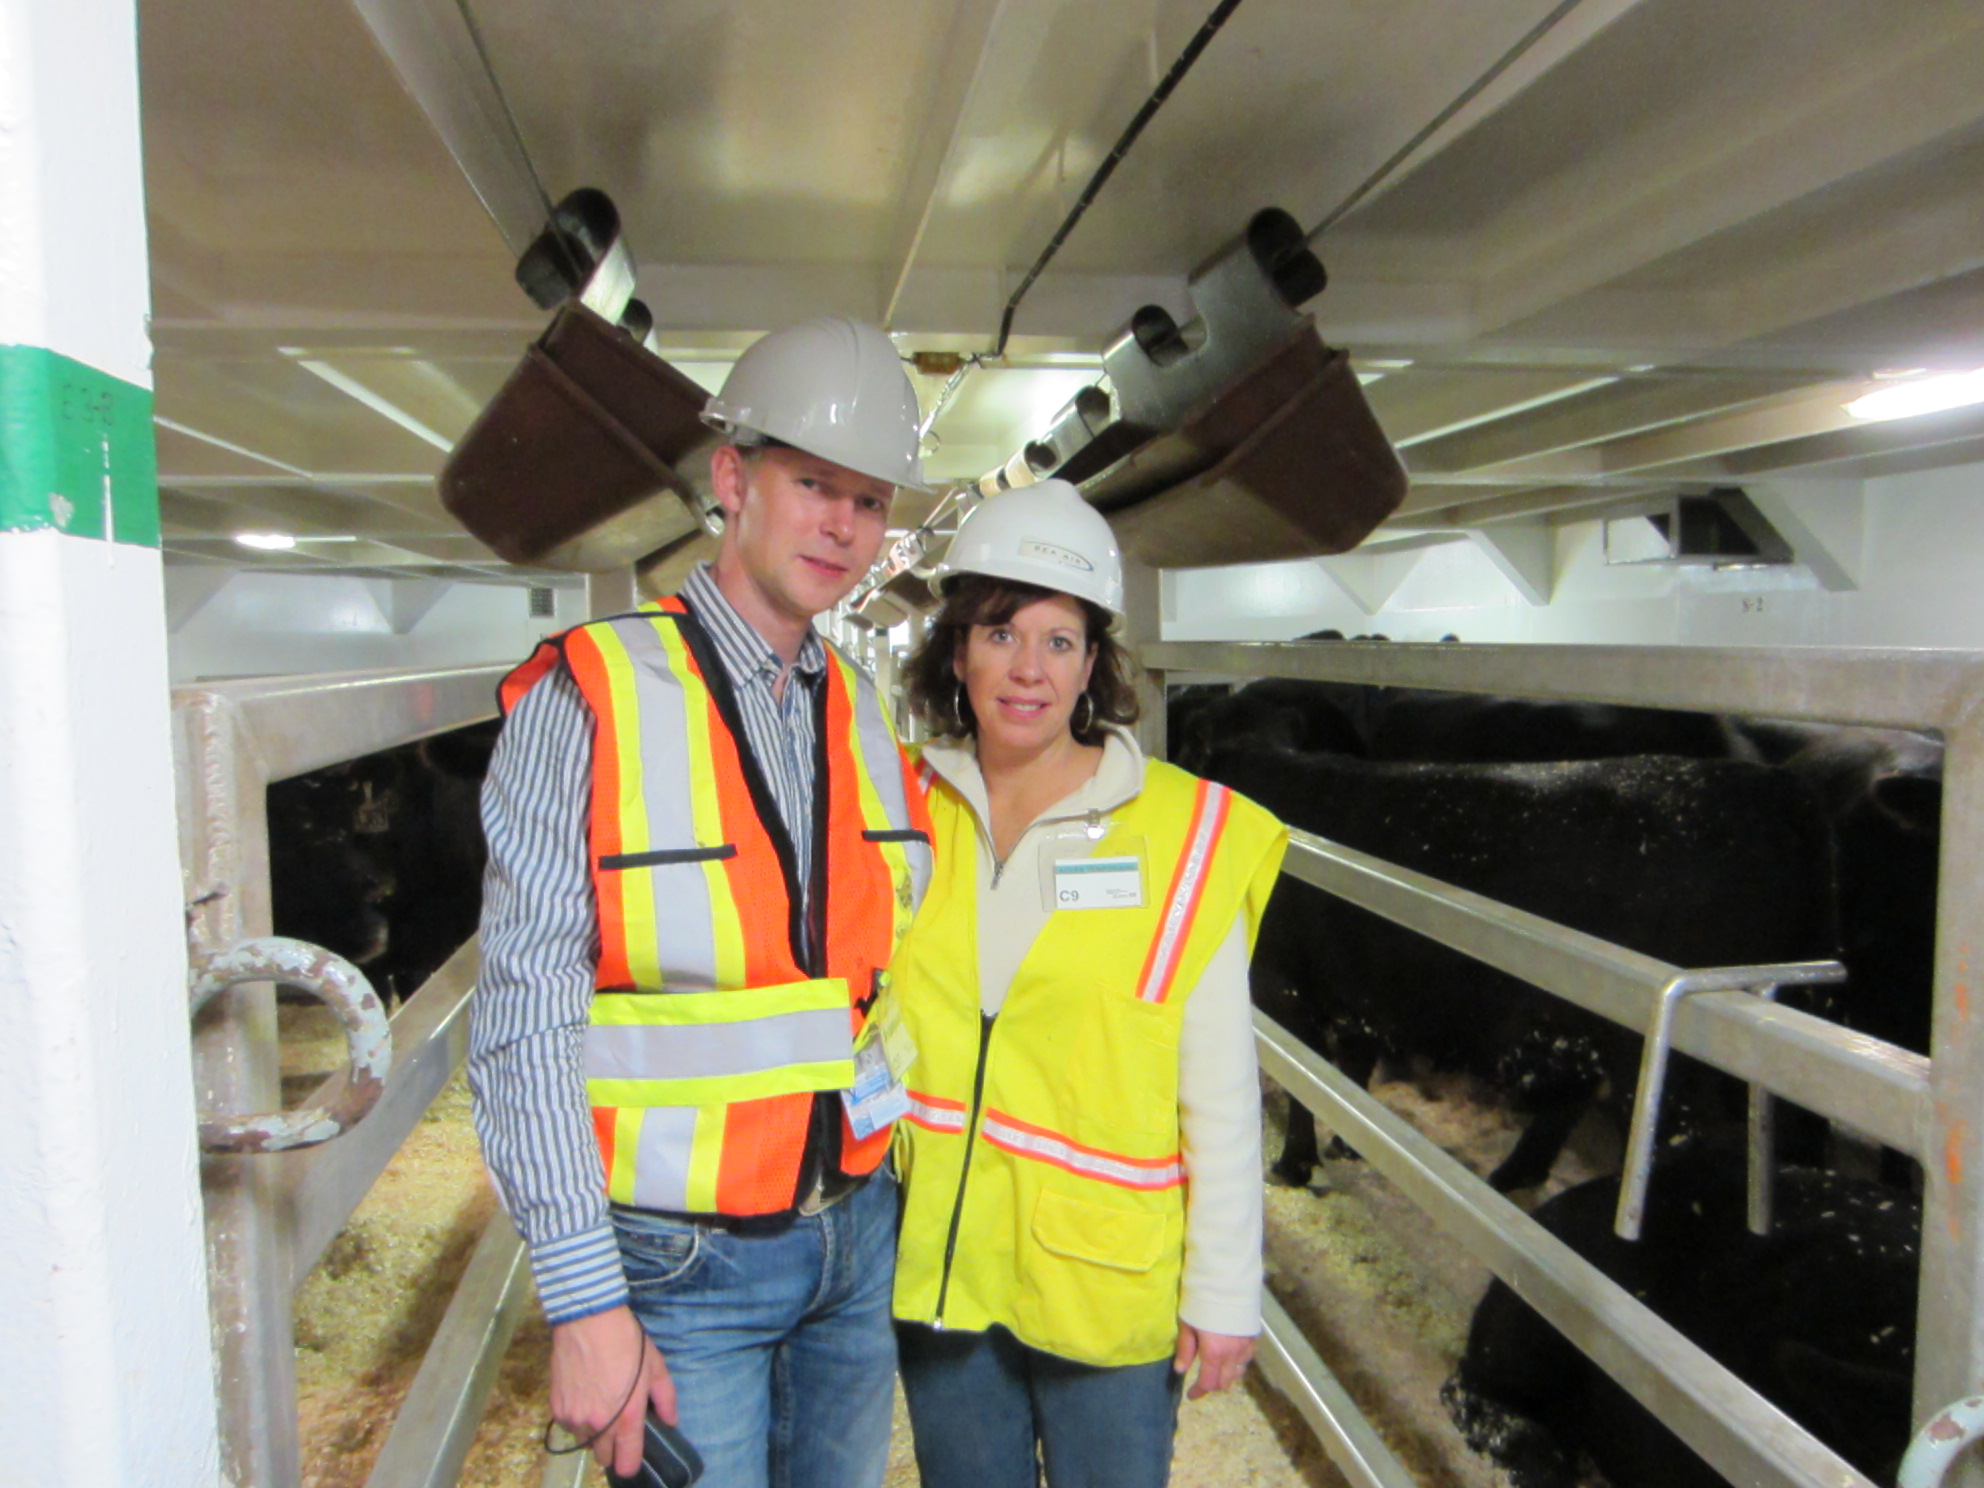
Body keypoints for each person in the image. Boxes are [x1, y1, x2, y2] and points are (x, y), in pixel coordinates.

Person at [468, 315, 935, 1488]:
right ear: (732, 480)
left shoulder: (871, 714)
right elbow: (525, 1019)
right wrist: (583, 1305)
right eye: (812, 483)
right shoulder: (591, 694)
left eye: (870, 500)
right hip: (679, 1266)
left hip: (856, 1237)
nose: (842, 525)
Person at [887, 479, 1289, 1488]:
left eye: (1058, 640)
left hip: (1106, 1288)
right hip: (944, 1270)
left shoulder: (1182, 833)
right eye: (998, 633)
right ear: (956, 652)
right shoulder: (902, 810)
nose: (1027, 669)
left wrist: (1226, 1291)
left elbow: (1220, 1093)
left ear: (1094, 663)